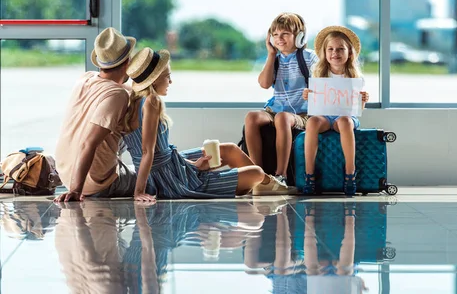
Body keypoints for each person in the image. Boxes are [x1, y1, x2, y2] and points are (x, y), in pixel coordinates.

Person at [123, 47, 290, 200]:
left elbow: (157, 152)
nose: (171, 82)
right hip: (168, 179)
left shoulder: (133, 99)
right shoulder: (152, 101)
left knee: (230, 149)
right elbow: (147, 152)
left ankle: (268, 185)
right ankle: (270, 184)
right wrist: (139, 191)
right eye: (168, 77)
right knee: (257, 173)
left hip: (169, 167)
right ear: (154, 80)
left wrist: (193, 165)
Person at [54, 27, 153, 202]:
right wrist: (76, 191)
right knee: (155, 180)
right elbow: (88, 144)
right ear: (128, 62)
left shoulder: (85, 78)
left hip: (65, 173)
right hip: (95, 184)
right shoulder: (117, 95)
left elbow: (117, 89)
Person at [244, 13, 318, 189]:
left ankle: (281, 175)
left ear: (299, 37)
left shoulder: (310, 58)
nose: (279, 38)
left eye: (285, 34)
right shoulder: (275, 60)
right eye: (275, 35)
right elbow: (264, 84)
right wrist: (271, 54)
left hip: (302, 113)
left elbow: (322, 84)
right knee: (252, 117)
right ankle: (258, 174)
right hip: (276, 109)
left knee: (283, 118)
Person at [301, 26, 369, 196]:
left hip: (345, 118)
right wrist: (307, 95)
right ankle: (309, 174)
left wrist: (363, 100)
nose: (335, 53)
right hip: (325, 116)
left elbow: (357, 109)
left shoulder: (353, 77)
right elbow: (315, 103)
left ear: (350, 53)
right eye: (330, 49)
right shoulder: (319, 74)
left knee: (345, 121)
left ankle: (350, 173)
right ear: (325, 52)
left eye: (340, 49)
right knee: (312, 122)